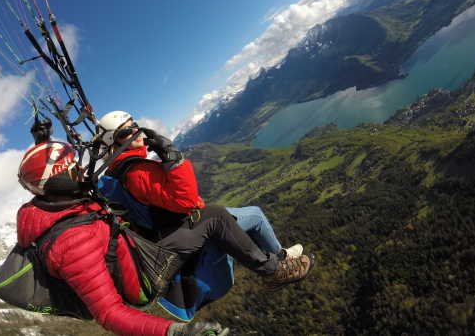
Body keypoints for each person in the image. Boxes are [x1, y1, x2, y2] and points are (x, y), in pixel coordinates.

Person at [16, 139, 229, 336]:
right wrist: (176, 332)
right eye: (73, 169)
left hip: (131, 248)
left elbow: (46, 178)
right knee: (214, 217)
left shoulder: (54, 205)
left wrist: (41, 139)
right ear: (60, 182)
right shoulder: (72, 243)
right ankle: (258, 265)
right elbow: (109, 313)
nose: (81, 169)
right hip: (144, 279)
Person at [97, 111, 315, 291]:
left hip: (175, 224)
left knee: (255, 215)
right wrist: (175, 159)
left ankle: (281, 257)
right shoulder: (136, 172)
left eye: (134, 124)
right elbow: (186, 201)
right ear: (114, 141)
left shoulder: (125, 168)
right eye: (126, 131)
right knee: (221, 215)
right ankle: (274, 270)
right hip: (179, 227)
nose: (135, 130)